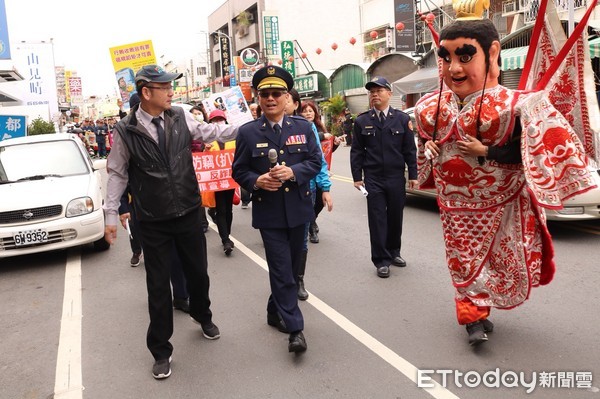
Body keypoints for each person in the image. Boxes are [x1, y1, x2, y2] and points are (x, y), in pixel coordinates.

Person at [414, 7, 596, 346]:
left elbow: (528, 153)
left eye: (465, 55)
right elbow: (426, 140)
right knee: (462, 258)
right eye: (447, 56)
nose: (454, 67)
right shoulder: (428, 107)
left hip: (504, 200)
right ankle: (472, 315)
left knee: (502, 260)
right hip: (454, 204)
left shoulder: (517, 105)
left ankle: (481, 305)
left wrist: (487, 152)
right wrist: (428, 149)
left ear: (492, 52)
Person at [103, 64, 239, 379]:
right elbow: (117, 173)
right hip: (152, 221)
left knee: (198, 274)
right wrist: (112, 214)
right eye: (165, 87)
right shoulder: (125, 130)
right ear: (146, 92)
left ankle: (202, 315)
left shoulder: (179, 115)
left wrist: (246, 126)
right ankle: (161, 350)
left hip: (189, 212)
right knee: (158, 287)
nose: (171, 91)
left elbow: (211, 132)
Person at [232, 66, 321, 353]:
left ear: (286, 97)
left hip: (298, 210)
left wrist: (292, 172)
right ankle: (296, 329)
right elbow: (239, 170)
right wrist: (256, 181)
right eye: (265, 94)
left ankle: (274, 310)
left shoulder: (304, 128)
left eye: (276, 93)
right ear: (258, 99)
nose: (270, 98)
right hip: (269, 213)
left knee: (291, 270)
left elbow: (315, 162)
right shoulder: (247, 133)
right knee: (282, 271)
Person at [350, 77, 418, 279]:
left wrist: (413, 174)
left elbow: (409, 150)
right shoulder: (362, 120)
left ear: (389, 94)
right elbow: (356, 152)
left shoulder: (402, 119)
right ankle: (381, 260)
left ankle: (394, 251)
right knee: (377, 218)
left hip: (396, 177)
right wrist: (357, 177)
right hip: (373, 179)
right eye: (372, 92)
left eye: (379, 91)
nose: (375, 95)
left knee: (395, 216)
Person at [286, 90, 333, 300]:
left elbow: (318, 159)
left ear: (294, 103)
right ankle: (284, 280)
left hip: (305, 190)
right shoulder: (261, 128)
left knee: (300, 239)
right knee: (281, 241)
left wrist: (325, 188)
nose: (278, 100)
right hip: (275, 196)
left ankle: (298, 279)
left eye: (285, 97)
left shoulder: (306, 128)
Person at [301, 100, 339, 244]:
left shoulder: (317, 126)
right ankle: (311, 227)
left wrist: (334, 144)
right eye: (305, 111)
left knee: (319, 201)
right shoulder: (302, 128)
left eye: (310, 111)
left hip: (320, 170)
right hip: (307, 173)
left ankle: (312, 221)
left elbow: (324, 152)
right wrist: (323, 136)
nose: (308, 113)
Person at [206, 109, 236, 256]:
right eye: (215, 120)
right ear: (210, 123)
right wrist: (205, 150)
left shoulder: (233, 138)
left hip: (230, 180)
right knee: (221, 210)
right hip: (216, 181)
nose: (218, 122)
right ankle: (225, 240)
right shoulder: (206, 140)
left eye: (220, 119)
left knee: (228, 210)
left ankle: (227, 236)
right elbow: (201, 160)